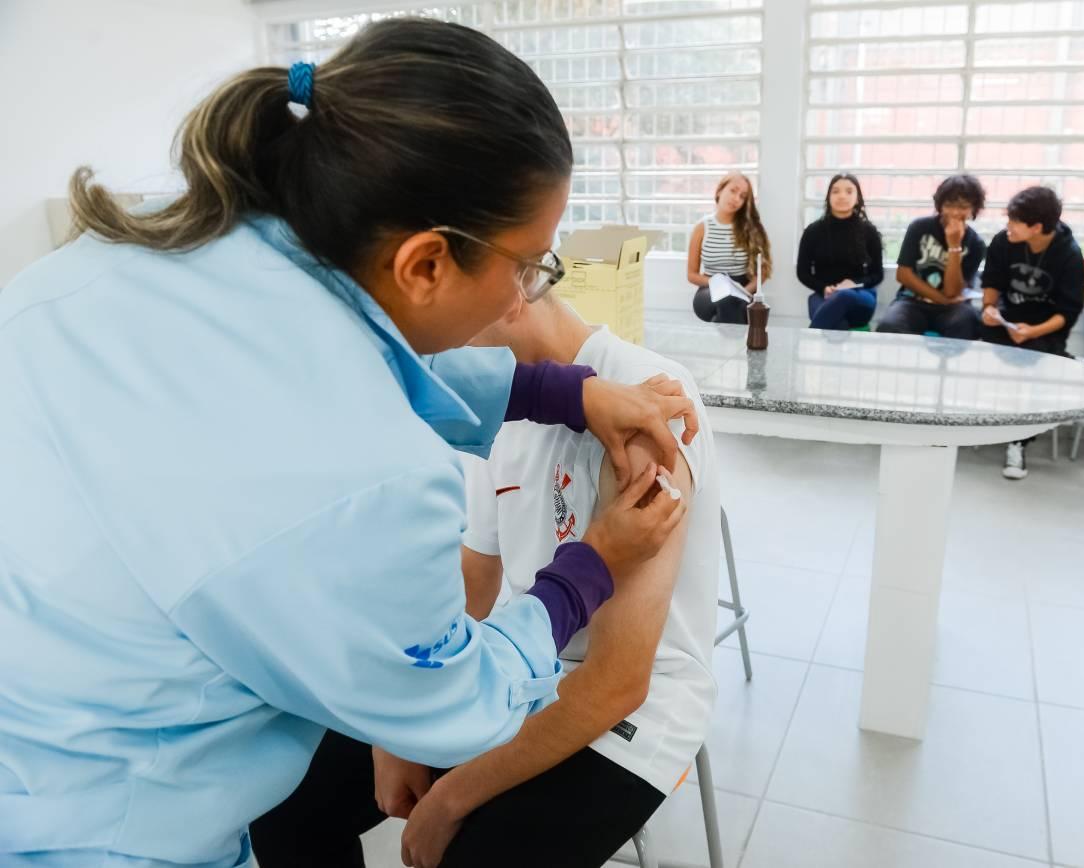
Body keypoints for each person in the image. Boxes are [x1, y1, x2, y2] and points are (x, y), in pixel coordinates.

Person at [0, 20, 698, 868]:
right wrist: (593, 564)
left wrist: (563, 389)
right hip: (113, 832)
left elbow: (312, 373)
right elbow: (455, 693)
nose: (527, 294)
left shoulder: (113, 264)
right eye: (527, 265)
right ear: (426, 263)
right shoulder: (377, 484)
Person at [372, 294, 720, 868]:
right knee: (305, 798)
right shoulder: (493, 403)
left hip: (633, 709)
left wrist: (451, 798)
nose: (424, 347)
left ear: (506, 290)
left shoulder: (648, 397)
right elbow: (475, 579)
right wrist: (393, 725)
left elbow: (618, 682)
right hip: (525, 662)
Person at [979, 186, 1084, 479]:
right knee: (966, 340)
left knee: (1033, 364)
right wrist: (989, 310)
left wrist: (1032, 331)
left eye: (1015, 222)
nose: (1008, 227)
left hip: (1043, 330)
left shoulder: (1069, 254)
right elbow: (991, 284)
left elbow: (1068, 313)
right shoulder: (1004, 242)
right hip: (1006, 321)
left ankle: (1018, 442)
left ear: (1037, 227)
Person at [875, 174, 987, 339]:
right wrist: (940, 299)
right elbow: (903, 274)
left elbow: (952, 292)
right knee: (889, 325)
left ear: (974, 209)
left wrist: (954, 246)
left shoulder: (976, 243)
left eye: (963, 207)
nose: (955, 212)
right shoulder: (919, 228)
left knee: (967, 324)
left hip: (953, 308)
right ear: (940, 205)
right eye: (949, 205)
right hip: (912, 302)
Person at [797, 173, 884, 330]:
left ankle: (804, 344)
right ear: (828, 197)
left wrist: (854, 283)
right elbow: (802, 272)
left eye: (849, 191)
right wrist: (824, 288)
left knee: (843, 296)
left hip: (860, 296)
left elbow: (877, 274)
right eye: (836, 191)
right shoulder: (813, 231)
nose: (842, 196)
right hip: (824, 295)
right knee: (837, 324)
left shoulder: (868, 231)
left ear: (857, 198)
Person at [688, 172, 773, 324]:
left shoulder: (750, 229)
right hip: (709, 287)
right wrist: (720, 285)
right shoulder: (702, 228)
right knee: (727, 300)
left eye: (742, 196)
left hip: (743, 287)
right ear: (720, 190)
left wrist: (745, 292)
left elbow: (763, 271)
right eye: (733, 191)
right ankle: (736, 344)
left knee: (729, 307)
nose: (736, 198)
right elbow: (691, 274)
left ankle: (721, 345)